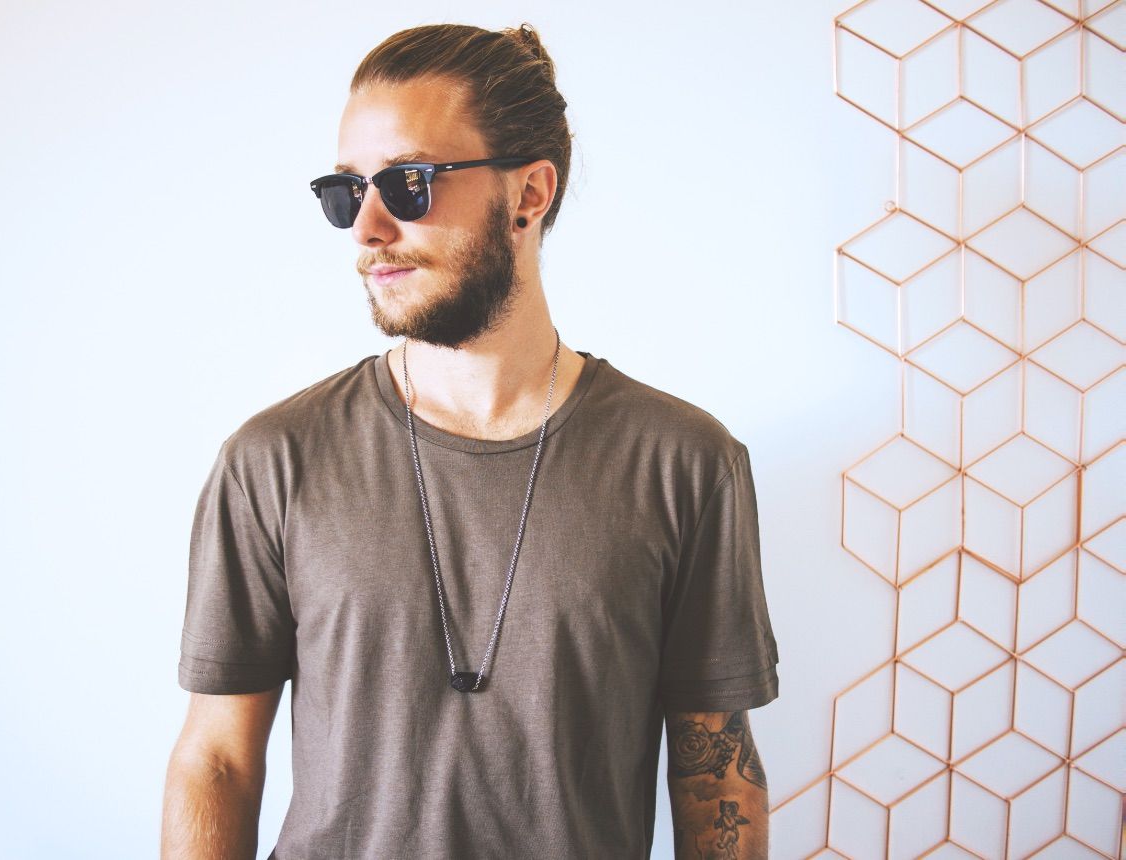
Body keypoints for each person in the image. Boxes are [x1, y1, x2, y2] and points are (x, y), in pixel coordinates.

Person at [161, 22, 780, 860]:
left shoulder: (684, 463)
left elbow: (716, 777)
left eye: (408, 183)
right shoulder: (273, 460)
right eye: (346, 192)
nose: (367, 227)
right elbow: (218, 761)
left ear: (529, 194)